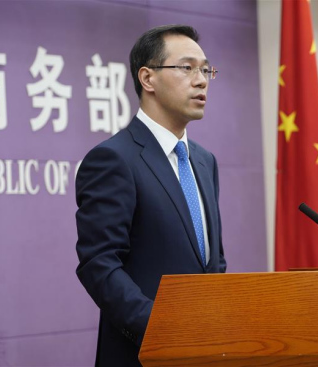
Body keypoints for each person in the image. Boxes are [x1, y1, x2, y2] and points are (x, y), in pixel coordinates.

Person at [75, 24, 227, 367]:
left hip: (208, 352)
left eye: (206, 70)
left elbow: (213, 262)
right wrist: (160, 327)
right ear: (148, 78)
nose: (202, 80)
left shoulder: (204, 161)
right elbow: (99, 263)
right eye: (187, 68)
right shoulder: (114, 158)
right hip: (144, 354)